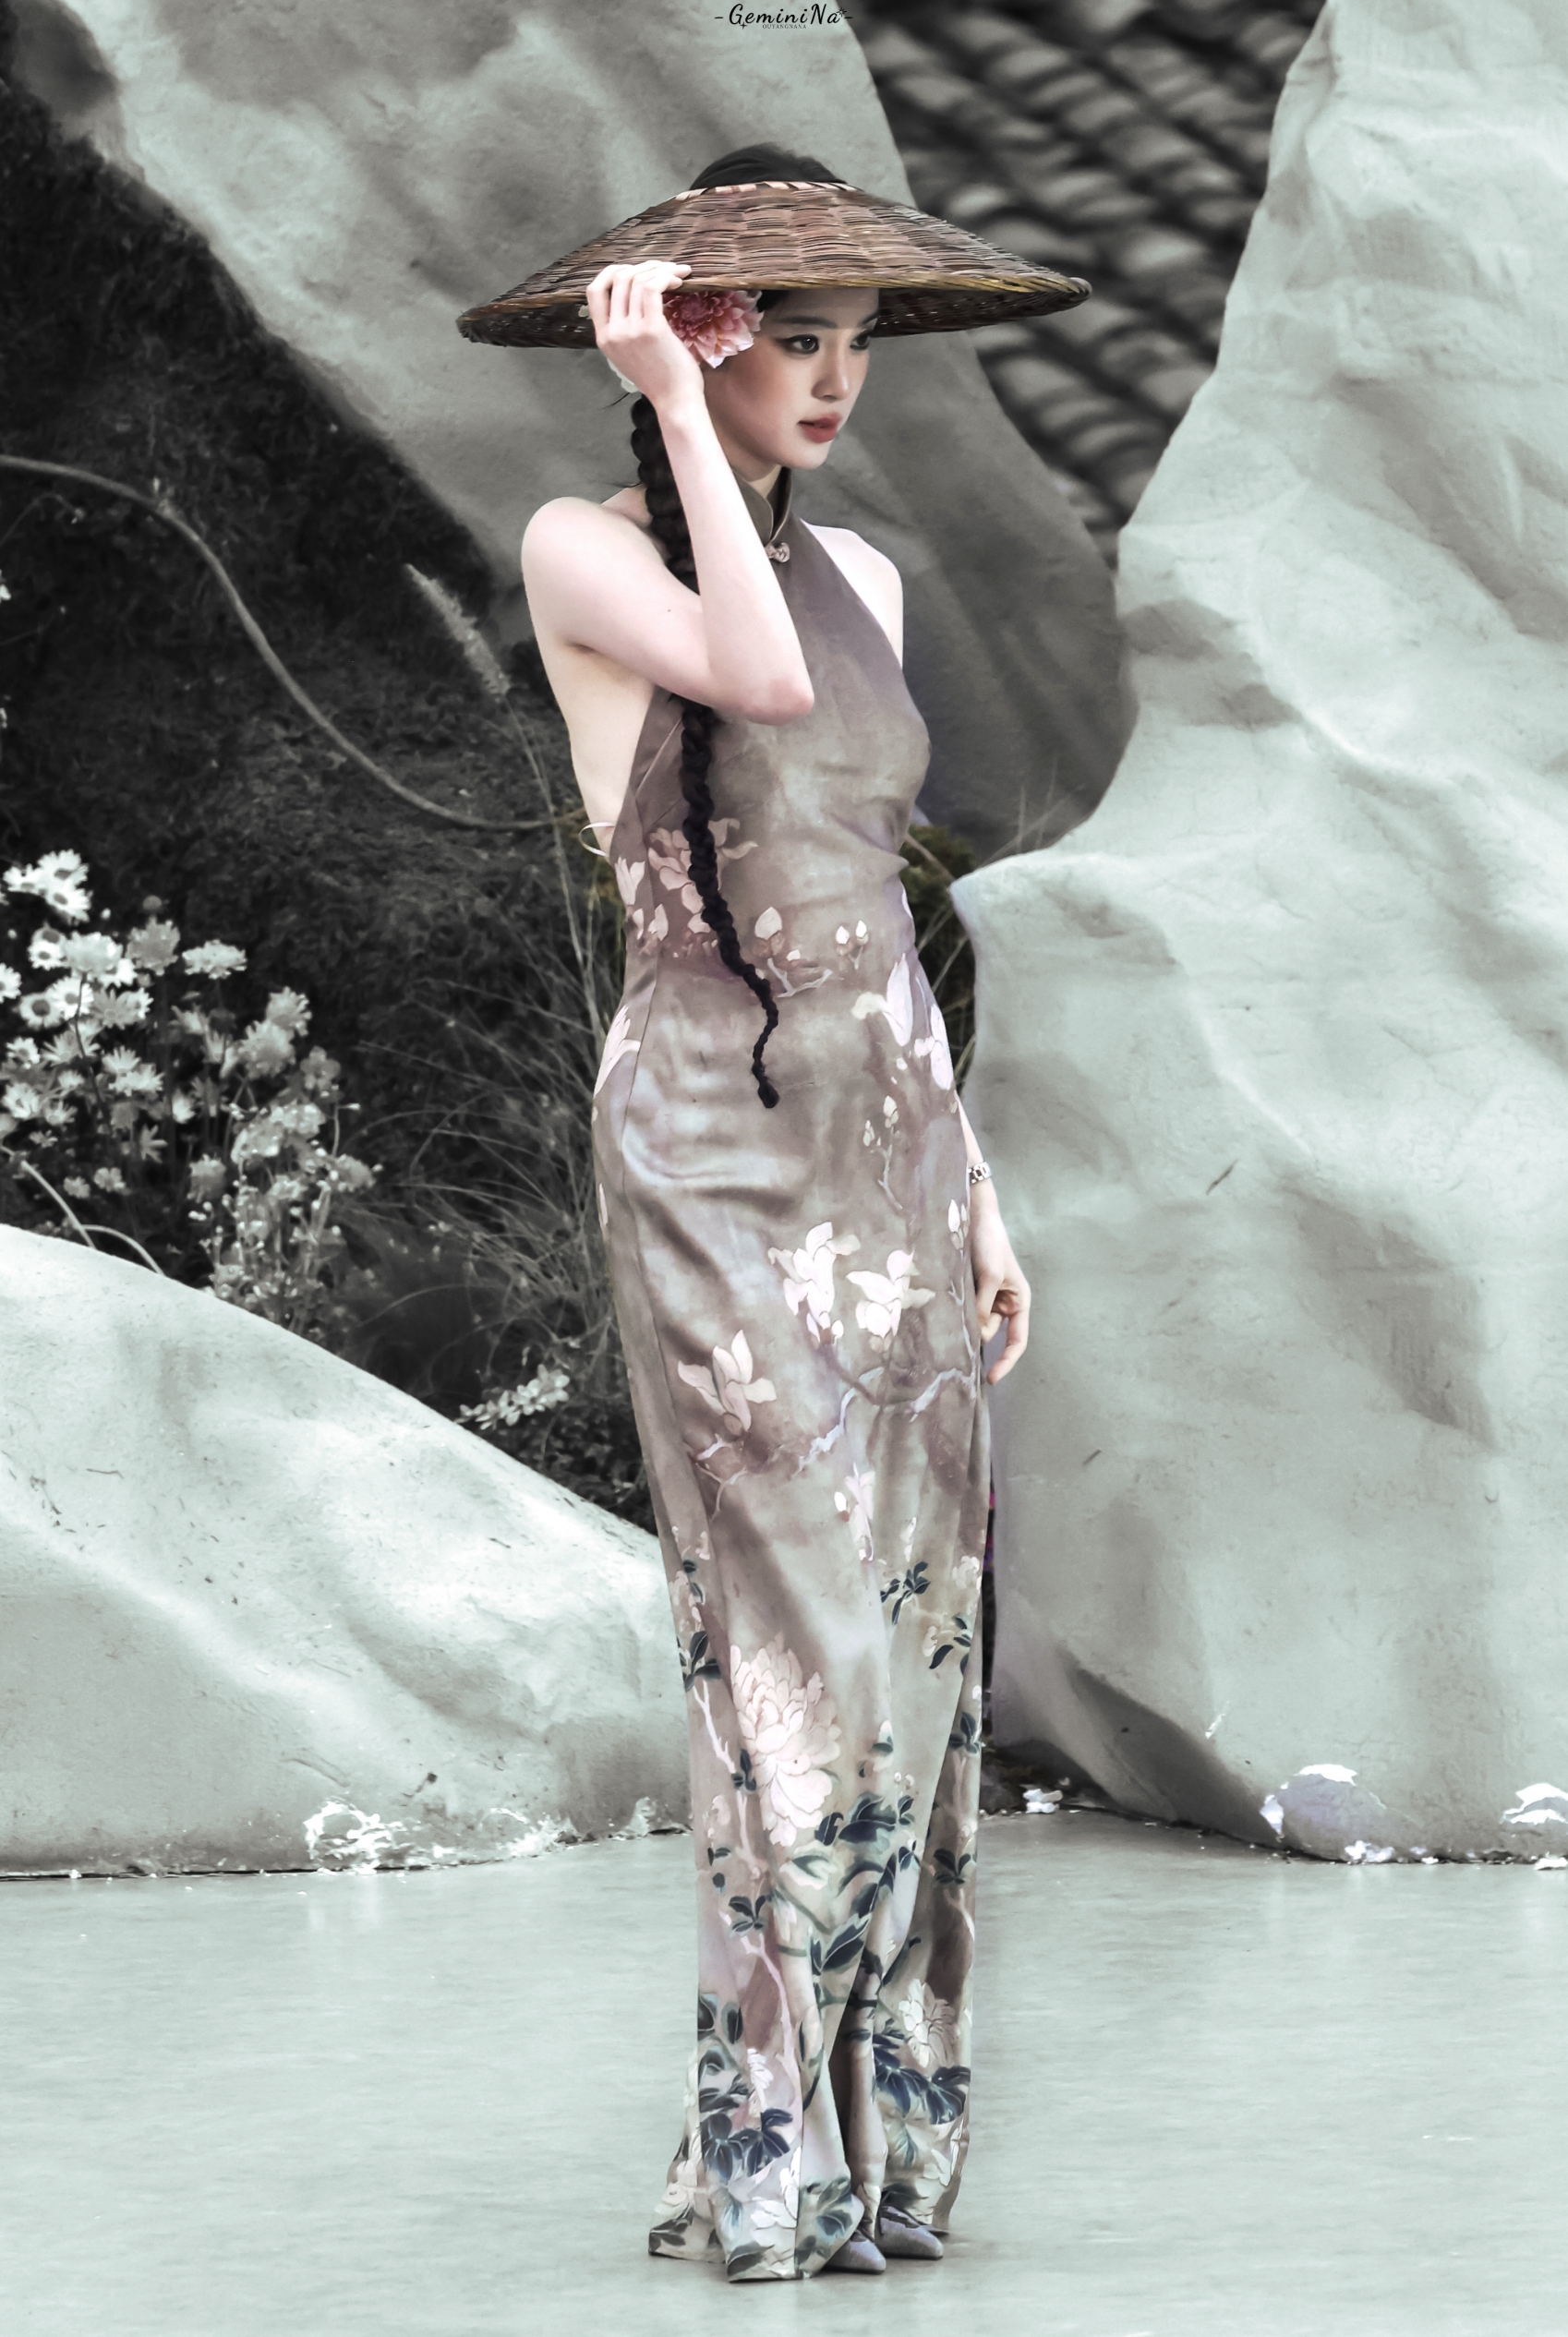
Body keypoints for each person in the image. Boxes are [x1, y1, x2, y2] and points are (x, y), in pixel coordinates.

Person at [464, 143, 1084, 2283]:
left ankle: (855, 2136)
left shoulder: (874, 578)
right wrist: (663, 404)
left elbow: (884, 924)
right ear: (692, 341)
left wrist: (975, 1183)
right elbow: (757, 671)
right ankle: (765, 2152)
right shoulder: (583, 546)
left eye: (854, 340)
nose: (835, 378)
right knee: (791, 1641)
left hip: (886, 1143)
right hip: (715, 1146)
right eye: (788, 336)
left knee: (913, 1643)